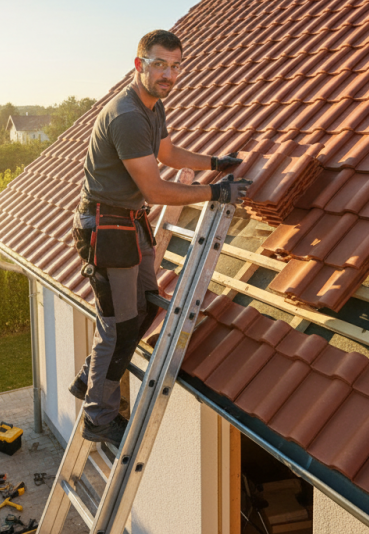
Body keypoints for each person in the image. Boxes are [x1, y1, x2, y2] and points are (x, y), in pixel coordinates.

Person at [70, 29, 251, 447]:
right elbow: (155, 189)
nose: (168, 73)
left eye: (175, 65)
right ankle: (98, 420)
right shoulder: (129, 116)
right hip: (107, 229)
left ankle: (88, 381)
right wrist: (216, 192)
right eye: (159, 64)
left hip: (129, 224)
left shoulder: (153, 107)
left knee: (146, 309)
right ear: (140, 65)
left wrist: (214, 163)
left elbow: (168, 154)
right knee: (118, 327)